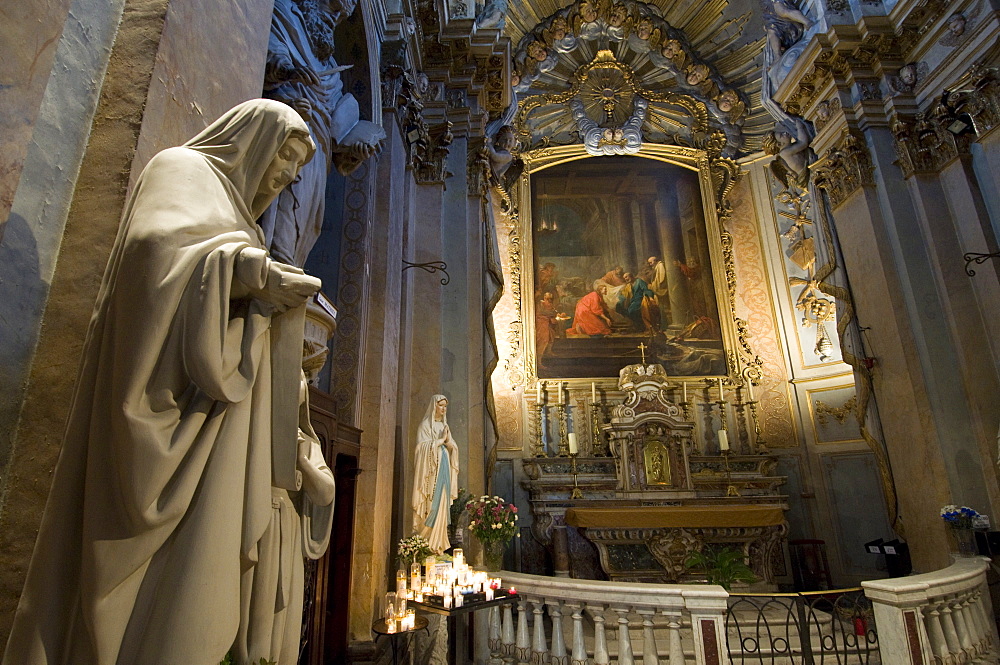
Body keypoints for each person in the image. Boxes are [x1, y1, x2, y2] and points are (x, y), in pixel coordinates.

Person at [2, 99, 322, 665]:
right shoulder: (181, 169)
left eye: (295, 171)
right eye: (284, 159)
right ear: (253, 140)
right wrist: (250, 272)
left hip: (207, 423)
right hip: (158, 403)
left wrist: (260, 289)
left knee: (192, 591)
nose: (284, 177)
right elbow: (152, 250)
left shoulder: (240, 219)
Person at [260, 0, 385, 267]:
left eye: (343, 15)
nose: (339, 16)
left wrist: (353, 152)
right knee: (277, 230)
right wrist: (287, 72)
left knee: (299, 233)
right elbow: (268, 54)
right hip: (284, 139)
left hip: (316, 158)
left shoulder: (332, 70)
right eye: (335, 6)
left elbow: (336, 132)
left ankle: (279, 279)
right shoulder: (286, 17)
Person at [237, 372, 336, 665]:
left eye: (300, 392)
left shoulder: (306, 441)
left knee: (281, 611)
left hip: (285, 526)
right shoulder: (252, 424)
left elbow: (325, 492)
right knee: (249, 608)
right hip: (251, 523)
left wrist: (302, 461)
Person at [412, 395, 460, 553]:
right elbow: (420, 449)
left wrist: (448, 443)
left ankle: (438, 545)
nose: (444, 409)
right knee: (432, 503)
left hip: (444, 467)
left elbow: (452, 446)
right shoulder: (425, 425)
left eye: (445, 406)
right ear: (434, 406)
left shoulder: (444, 426)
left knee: (442, 502)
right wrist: (439, 442)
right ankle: (427, 545)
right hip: (431, 474)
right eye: (441, 405)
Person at [536, 291, 559, 358]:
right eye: (547, 299)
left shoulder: (551, 305)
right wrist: (552, 314)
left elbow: (554, 312)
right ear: (544, 297)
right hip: (542, 323)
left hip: (549, 323)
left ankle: (548, 352)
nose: (549, 300)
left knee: (551, 338)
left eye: (550, 299)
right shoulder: (541, 303)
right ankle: (539, 361)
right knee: (543, 340)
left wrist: (556, 314)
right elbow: (542, 312)